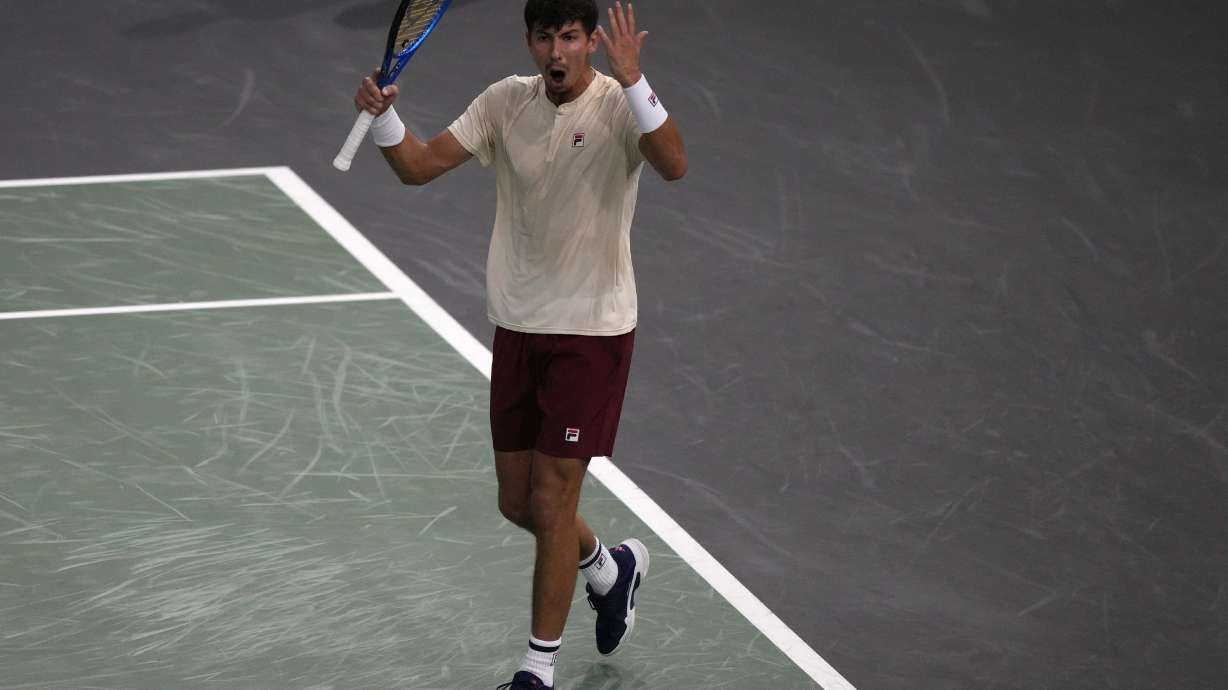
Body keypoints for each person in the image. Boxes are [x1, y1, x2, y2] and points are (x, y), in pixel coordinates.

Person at [352, 1, 686, 687]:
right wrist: (384, 115)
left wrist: (636, 82)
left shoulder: (622, 106)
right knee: (519, 503)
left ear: (590, 41)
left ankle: (538, 671)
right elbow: (417, 167)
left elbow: (675, 163)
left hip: (591, 333)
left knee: (553, 499)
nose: (557, 51)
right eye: (545, 37)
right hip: (518, 328)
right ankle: (608, 568)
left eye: (570, 37)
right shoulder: (506, 102)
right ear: (530, 42)